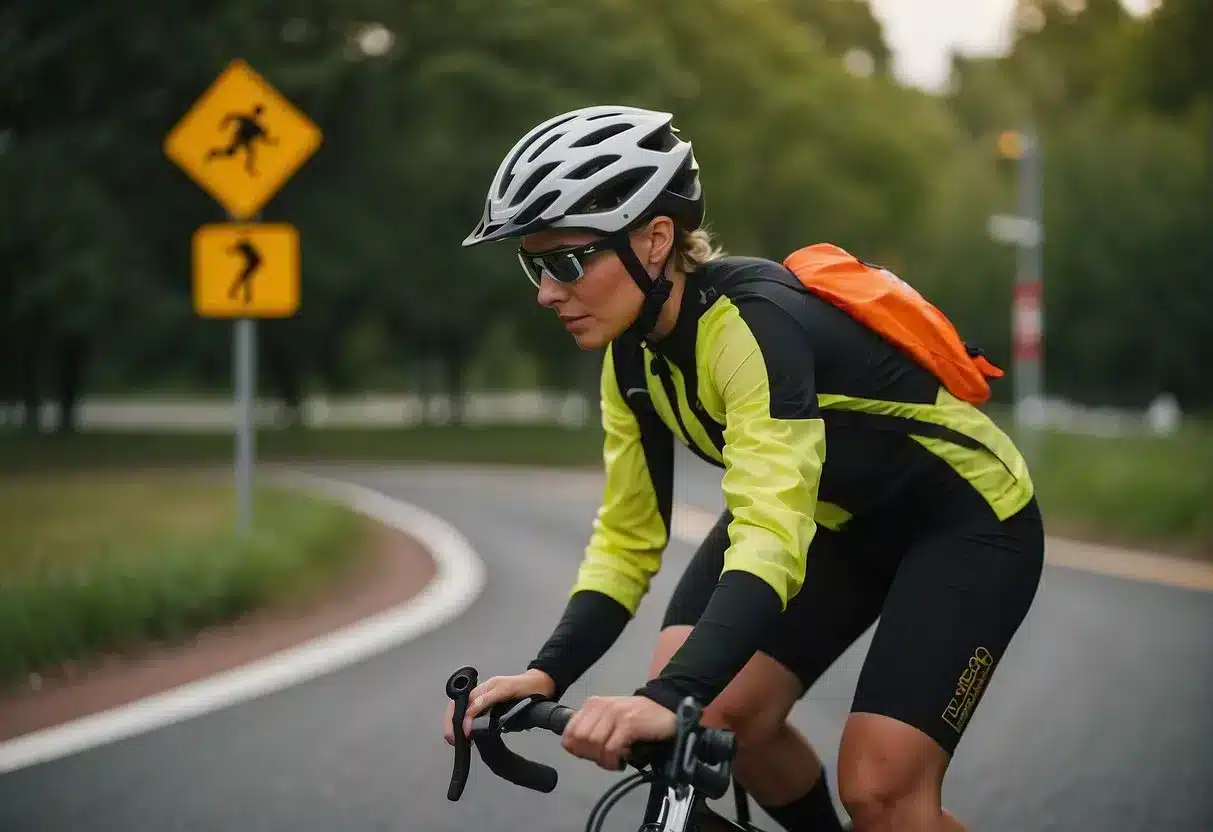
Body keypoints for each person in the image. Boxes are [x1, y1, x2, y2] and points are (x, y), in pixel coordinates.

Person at [445, 105, 1044, 832]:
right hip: (829, 520)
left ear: (654, 239)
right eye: (533, 265)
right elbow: (628, 539)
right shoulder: (629, 360)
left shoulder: (752, 326)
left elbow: (767, 534)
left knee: (879, 791)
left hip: (963, 519)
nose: (545, 291)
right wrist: (548, 671)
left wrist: (665, 700)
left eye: (567, 261)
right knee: (719, 711)